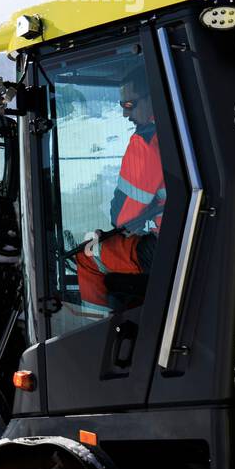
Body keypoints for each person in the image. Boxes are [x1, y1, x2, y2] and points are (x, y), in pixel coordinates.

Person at [73, 68, 164, 316]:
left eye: (130, 104)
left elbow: (123, 218)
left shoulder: (149, 141)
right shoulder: (183, 127)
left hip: (166, 245)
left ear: (153, 98)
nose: (125, 113)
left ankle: (96, 332)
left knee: (88, 253)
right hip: (185, 235)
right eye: (122, 105)